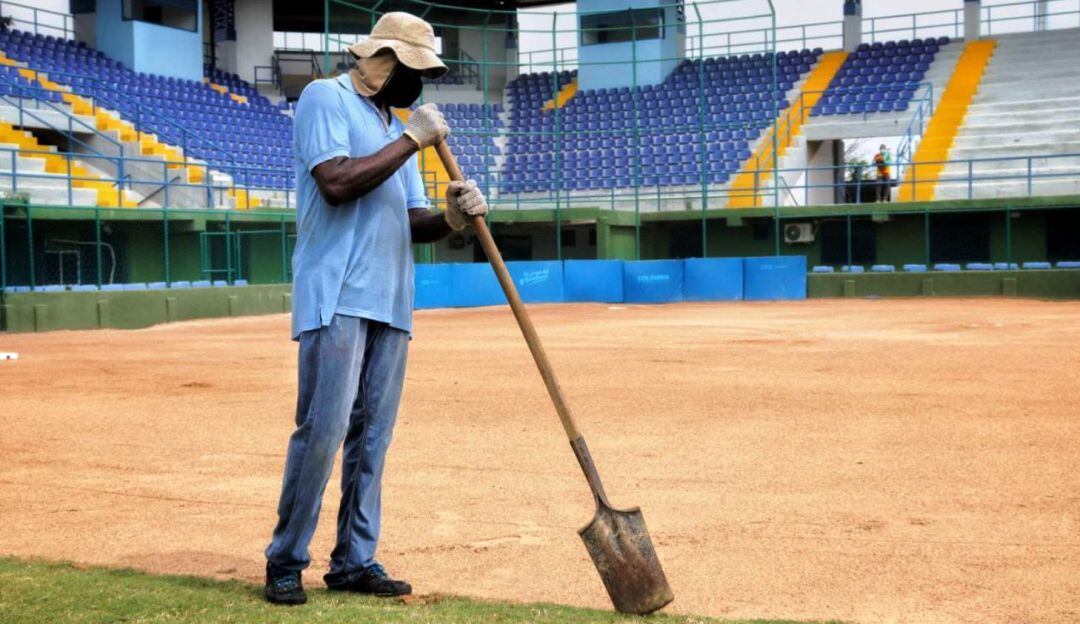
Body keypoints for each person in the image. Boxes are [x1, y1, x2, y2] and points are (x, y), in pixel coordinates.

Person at [263, 11, 488, 606]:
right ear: (380, 58)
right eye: (412, 67)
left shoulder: (393, 126)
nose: (417, 81)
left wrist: (454, 218)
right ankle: (285, 560)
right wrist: (411, 139)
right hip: (336, 291)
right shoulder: (324, 98)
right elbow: (336, 182)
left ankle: (354, 561)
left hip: (392, 297)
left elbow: (412, 221)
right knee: (324, 430)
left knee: (372, 438)